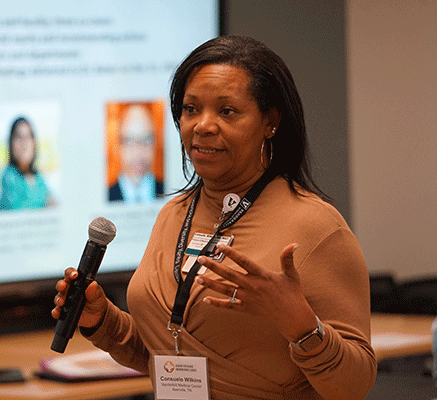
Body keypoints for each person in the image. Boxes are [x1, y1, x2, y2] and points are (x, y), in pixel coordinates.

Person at [53, 36, 376, 399]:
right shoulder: (172, 215)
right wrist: (101, 320)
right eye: (191, 109)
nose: (203, 125)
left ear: (270, 122)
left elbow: (355, 385)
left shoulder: (316, 227)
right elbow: (171, 356)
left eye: (227, 111)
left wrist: (300, 324)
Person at [0, 116, 54, 211]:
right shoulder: (8, 178)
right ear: (11, 143)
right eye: (19, 137)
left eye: (28, 136)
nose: (24, 143)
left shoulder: (40, 179)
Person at [108, 104, 164, 202]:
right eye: (129, 141)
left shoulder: (170, 193)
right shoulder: (105, 197)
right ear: (117, 147)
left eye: (147, 140)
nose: (138, 151)